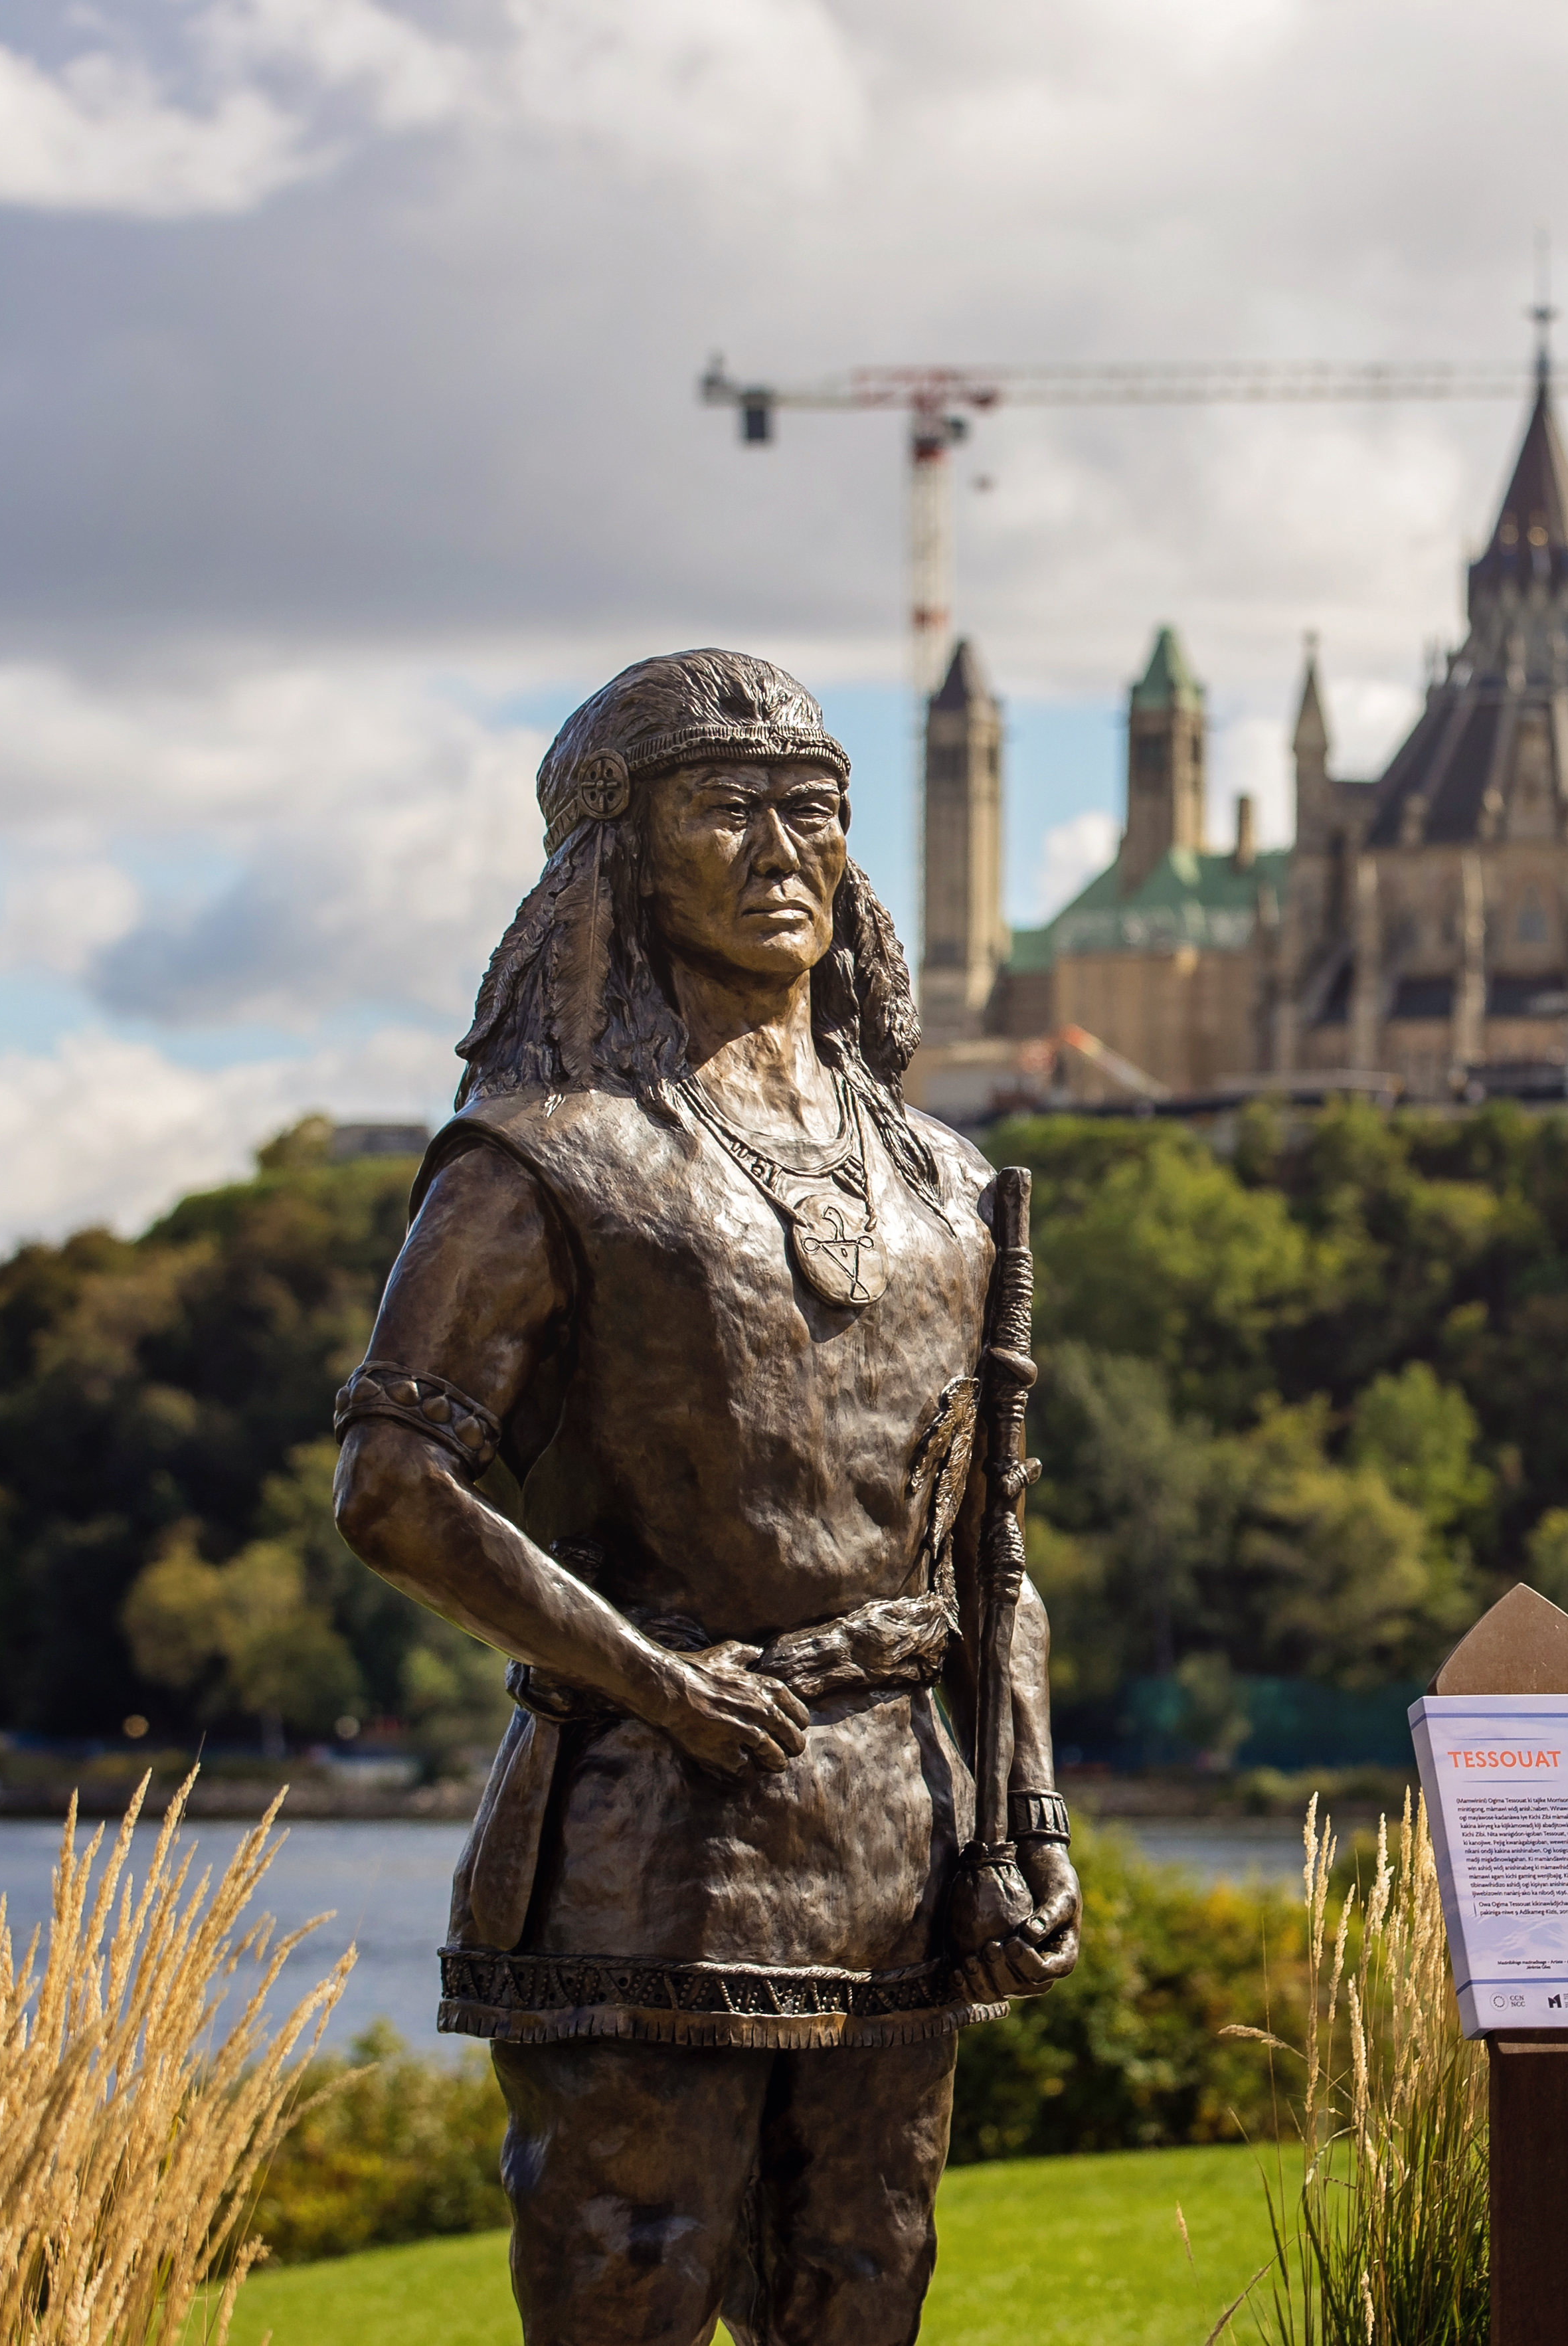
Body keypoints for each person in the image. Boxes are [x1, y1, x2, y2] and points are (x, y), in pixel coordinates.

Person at [330, 649, 1078, 2346]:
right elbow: (390, 1485)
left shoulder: (950, 1181)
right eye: (724, 811)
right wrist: (649, 1676)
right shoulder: (541, 1156)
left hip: (900, 1843)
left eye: (809, 809)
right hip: (645, 1842)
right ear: (617, 859)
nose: (779, 847)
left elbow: (991, 1555)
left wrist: (1022, 1808)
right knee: (630, 2283)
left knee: (865, 2289)